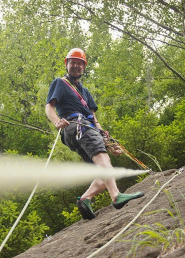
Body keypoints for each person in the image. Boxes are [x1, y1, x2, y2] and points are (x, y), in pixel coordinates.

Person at [45, 48, 144, 220]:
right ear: (66, 64)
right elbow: (49, 106)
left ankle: (85, 199)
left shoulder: (85, 92)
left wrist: (107, 141)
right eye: (73, 62)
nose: (76, 66)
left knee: (105, 169)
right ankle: (116, 196)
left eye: (79, 63)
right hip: (75, 124)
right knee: (102, 160)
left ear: (84, 67)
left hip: (85, 127)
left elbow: (94, 118)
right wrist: (56, 121)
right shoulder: (60, 83)